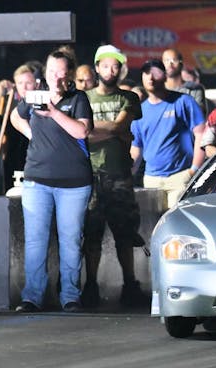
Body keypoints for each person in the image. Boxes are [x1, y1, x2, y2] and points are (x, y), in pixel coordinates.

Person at [10, 49, 94, 312]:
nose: (56, 77)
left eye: (61, 72)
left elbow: (82, 131)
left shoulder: (78, 98)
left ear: (69, 75)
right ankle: (32, 296)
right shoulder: (36, 96)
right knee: (35, 240)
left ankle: (70, 295)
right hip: (37, 179)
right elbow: (15, 116)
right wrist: (31, 133)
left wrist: (54, 113)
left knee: (71, 240)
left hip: (74, 182)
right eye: (51, 72)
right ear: (44, 73)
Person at [82, 44, 146, 308]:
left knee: (125, 234)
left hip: (119, 174)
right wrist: (114, 132)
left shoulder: (128, 98)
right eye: (106, 65)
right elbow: (80, 133)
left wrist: (92, 129)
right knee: (91, 234)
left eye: (116, 66)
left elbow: (120, 126)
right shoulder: (83, 98)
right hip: (90, 174)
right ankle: (91, 287)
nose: (111, 70)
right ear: (97, 67)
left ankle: (130, 285)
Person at [131, 59, 205, 209]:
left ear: (165, 76)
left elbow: (201, 135)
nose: (150, 77)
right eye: (146, 73)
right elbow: (136, 149)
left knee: (177, 221)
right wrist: (128, 175)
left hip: (180, 177)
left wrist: (194, 170)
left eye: (155, 73)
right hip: (151, 179)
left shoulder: (183, 102)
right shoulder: (139, 111)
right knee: (153, 222)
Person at [0, 64, 38, 193]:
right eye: (20, 83)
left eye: (28, 83)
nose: (24, 87)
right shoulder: (10, 102)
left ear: (36, 84)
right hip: (14, 154)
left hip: (35, 154)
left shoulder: (41, 102)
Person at [162, 48, 211, 117]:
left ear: (181, 63)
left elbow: (198, 115)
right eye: (166, 60)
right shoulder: (157, 89)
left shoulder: (195, 89)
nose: (170, 64)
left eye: (174, 60)